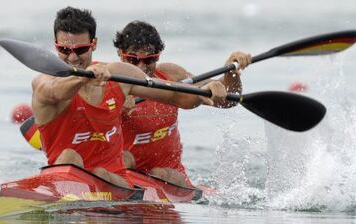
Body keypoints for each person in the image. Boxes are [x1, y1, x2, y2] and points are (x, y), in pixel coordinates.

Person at [32, 7, 232, 188]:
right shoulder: (43, 82)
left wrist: (206, 90)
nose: (73, 58)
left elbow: (177, 96)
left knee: (100, 172)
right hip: (67, 177)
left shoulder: (119, 75)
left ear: (94, 44)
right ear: (55, 46)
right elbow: (56, 91)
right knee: (69, 157)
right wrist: (82, 80)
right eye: (65, 50)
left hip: (115, 184)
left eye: (81, 49)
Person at [114, 21, 251, 187]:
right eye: (133, 60)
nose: (141, 68)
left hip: (170, 178)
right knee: (125, 159)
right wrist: (112, 104)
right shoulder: (109, 81)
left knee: (160, 173)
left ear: (158, 56)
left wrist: (231, 74)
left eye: (149, 59)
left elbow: (229, 99)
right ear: (120, 55)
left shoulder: (172, 75)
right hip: (124, 175)